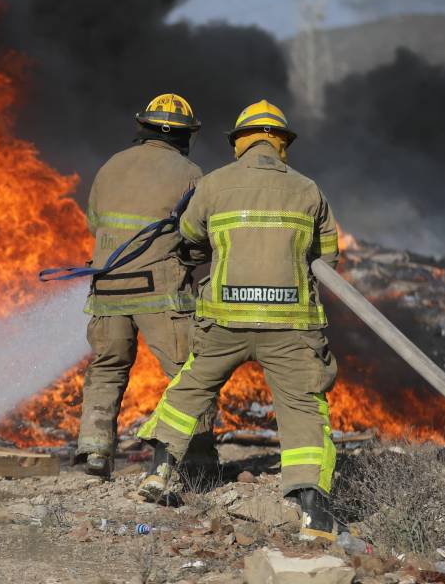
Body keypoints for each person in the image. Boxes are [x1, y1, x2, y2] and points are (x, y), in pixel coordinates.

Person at [135, 99, 342, 540]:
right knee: (304, 408)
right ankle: (314, 515)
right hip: (290, 327)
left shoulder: (213, 185)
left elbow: (188, 241)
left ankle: (158, 472)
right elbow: (329, 257)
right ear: (281, 143)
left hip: (224, 320)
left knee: (191, 387)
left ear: (240, 143)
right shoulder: (309, 190)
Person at [76, 93, 216, 479]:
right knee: (190, 373)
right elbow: (197, 233)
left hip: (106, 287)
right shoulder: (191, 173)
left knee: (106, 367)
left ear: (143, 128)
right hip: (161, 292)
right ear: (185, 135)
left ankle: (94, 450)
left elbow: (94, 223)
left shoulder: (110, 166)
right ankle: (199, 458)